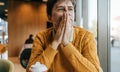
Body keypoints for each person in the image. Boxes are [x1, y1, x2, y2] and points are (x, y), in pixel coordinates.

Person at [26, 0, 100, 72]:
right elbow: (31, 70)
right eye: (60, 9)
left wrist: (66, 43)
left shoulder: (86, 37)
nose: (67, 14)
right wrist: (55, 42)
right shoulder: (41, 37)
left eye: (70, 9)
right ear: (49, 17)